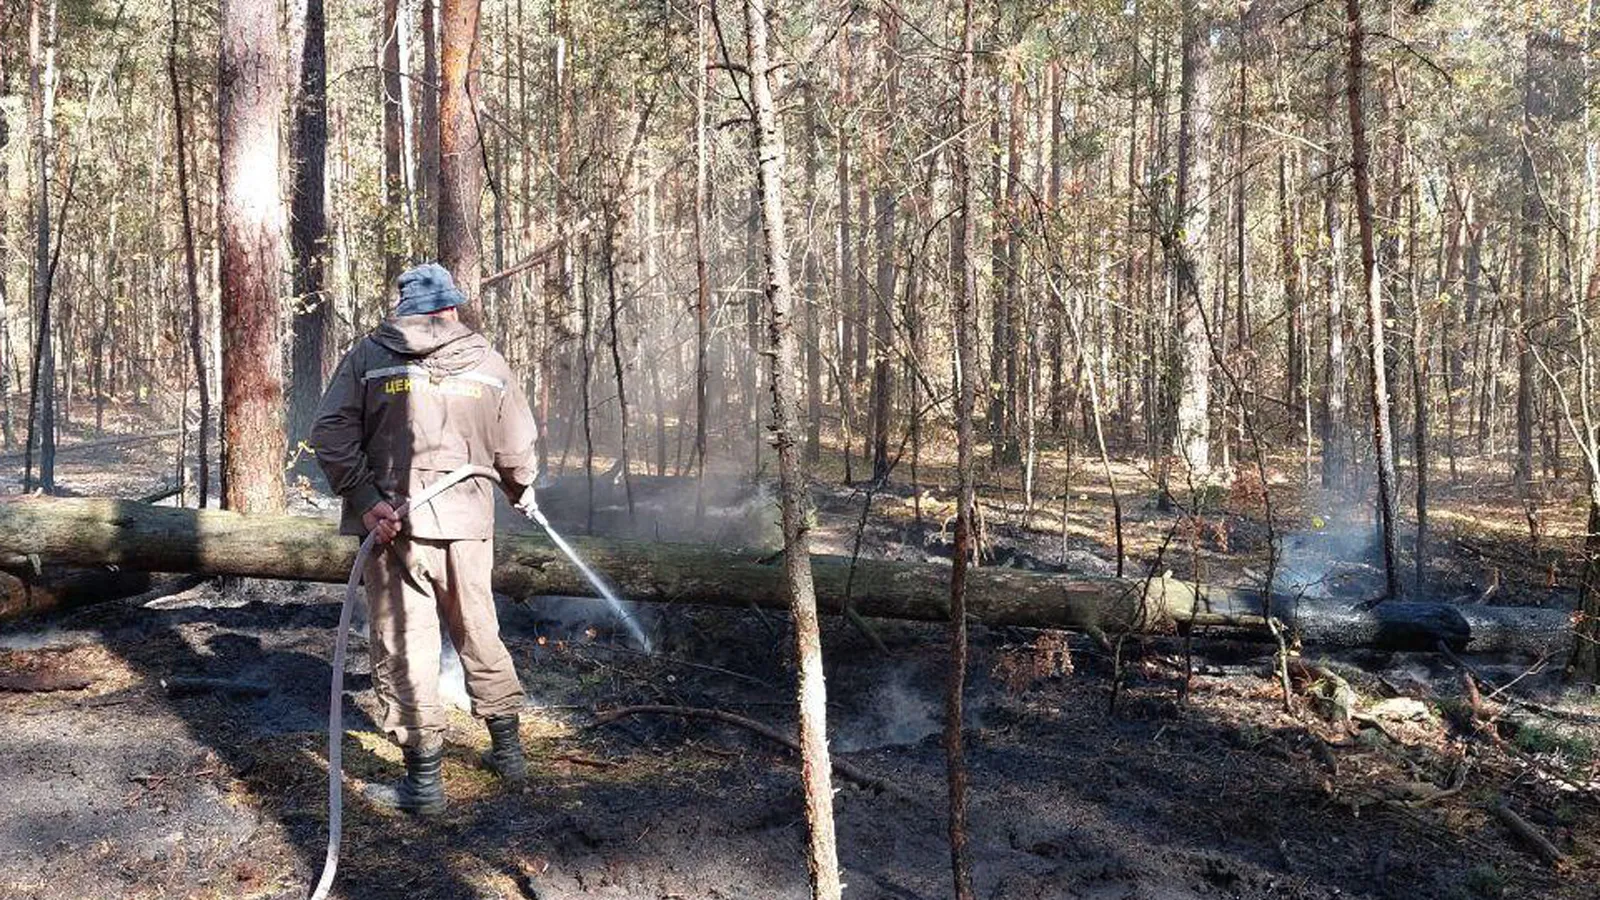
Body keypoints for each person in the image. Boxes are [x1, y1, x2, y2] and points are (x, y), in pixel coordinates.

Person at [310, 262, 539, 815]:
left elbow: (329, 434)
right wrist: (521, 488)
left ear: (405, 310)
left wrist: (368, 503)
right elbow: (516, 451)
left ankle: (425, 783)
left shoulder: (368, 356)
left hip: (396, 532)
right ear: (451, 309)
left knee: (404, 645)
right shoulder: (488, 362)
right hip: (464, 529)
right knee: (480, 631)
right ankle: (508, 756)